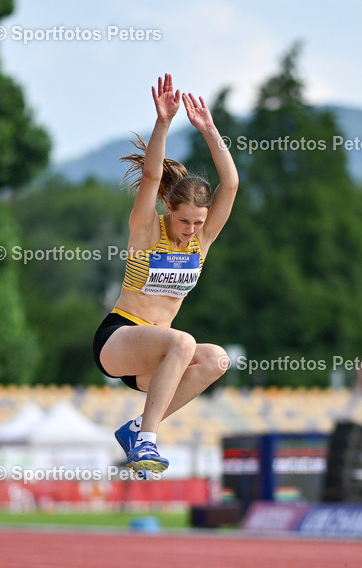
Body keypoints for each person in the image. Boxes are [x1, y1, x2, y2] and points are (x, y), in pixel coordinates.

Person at [92, 73, 238, 474]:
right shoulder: (146, 230)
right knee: (183, 342)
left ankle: (138, 426)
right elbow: (153, 176)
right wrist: (163, 122)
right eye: (185, 220)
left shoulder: (200, 241)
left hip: (156, 363)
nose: (191, 229)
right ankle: (147, 442)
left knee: (216, 360)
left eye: (198, 222)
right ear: (169, 211)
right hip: (119, 338)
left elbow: (231, 182)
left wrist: (210, 130)